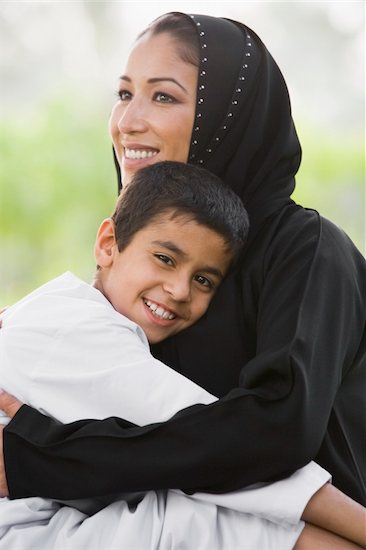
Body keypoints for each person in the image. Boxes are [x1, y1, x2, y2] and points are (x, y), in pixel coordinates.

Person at [1, 5, 365, 531]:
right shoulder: (137, 268)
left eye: (163, 96)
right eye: (124, 93)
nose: (128, 121)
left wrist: (44, 460)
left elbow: (276, 429)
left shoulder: (306, 249)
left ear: (229, 117)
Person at [0, 160, 363, 549]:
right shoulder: (80, 330)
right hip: (25, 535)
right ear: (108, 244)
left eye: (203, 280)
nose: (179, 290)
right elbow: (234, 453)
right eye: (165, 259)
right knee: (198, 516)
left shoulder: (58, 309)